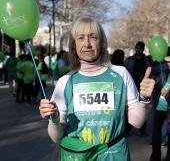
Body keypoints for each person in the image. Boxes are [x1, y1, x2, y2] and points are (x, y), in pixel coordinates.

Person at [39, 16, 155, 161]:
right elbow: (57, 138)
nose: (87, 43)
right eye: (80, 38)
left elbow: (137, 122)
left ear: (101, 43)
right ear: (74, 45)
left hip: (115, 156)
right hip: (77, 157)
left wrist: (144, 99)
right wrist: (54, 119)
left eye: (93, 37)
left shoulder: (120, 74)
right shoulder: (65, 82)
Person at [124, 41, 151, 135]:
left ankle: (142, 129)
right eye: (137, 47)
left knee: (143, 107)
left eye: (140, 48)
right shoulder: (129, 60)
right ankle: (127, 129)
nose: (138, 49)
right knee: (129, 108)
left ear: (143, 49)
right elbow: (125, 72)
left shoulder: (147, 60)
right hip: (132, 87)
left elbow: (151, 71)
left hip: (143, 88)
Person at [150, 59, 170, 161]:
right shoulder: (162, 72)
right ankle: (155, 156)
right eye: (167, 62)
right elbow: (154, 82)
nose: (169, 64)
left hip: (169, 109)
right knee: (156, 134)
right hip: (159, 107)